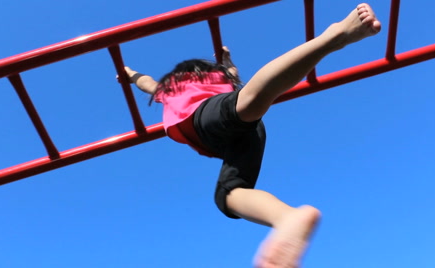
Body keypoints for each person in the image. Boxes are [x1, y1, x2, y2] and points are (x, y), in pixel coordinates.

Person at [121, 4, 381, 267]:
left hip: (207, 117)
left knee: (243, 105)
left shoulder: (174, 89)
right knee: (228, 195)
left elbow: (149, 83)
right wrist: (227, 63)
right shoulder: (219, 78)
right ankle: (287, 218)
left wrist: (130, 74)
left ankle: (332, 37)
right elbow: (233, 76)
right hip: (240, 130)